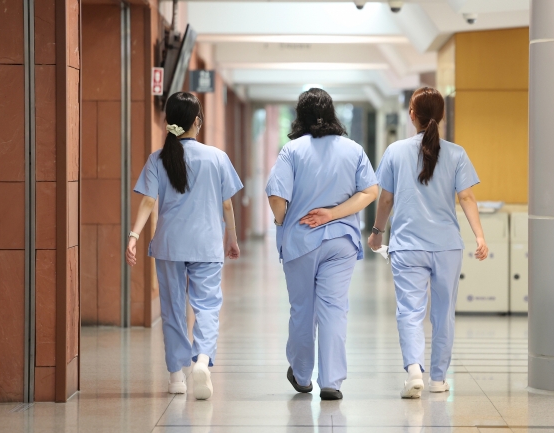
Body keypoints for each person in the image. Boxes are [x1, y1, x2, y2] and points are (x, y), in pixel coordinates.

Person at [368, 87, 488, 399]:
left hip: (407, 246)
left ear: (412, 115)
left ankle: (413, 373)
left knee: (409, 311)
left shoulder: (395, 151)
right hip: (447, 246)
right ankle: (437, 379)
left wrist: (377, 232)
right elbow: (467, 197)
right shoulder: (457, 153)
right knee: (443, 312)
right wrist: (479, 236)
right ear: (443, 115)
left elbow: (386, 200)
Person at [125, 92, 243, 400]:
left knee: (173, 310)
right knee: (207, 307)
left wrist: (134, 236)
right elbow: (227, 205)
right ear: (197, 122)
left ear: (169, 122)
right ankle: (202, 360)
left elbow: (149, 201)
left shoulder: (157, 158)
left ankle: (176, 377)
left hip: (169, 245)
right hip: (206, 245)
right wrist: (231, 238)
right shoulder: (217, 157)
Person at [266, 88, 378, 400]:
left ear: (299, 116)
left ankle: (302, 376)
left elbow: (276, 197)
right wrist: (334, 214)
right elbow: (370, 192)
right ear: (331, 114)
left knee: (303, 309)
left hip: (301, 240)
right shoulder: (353, 149)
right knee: (334, 308)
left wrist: (281, 221)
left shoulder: (291, 151)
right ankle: (331, 382)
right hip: (341, 241)